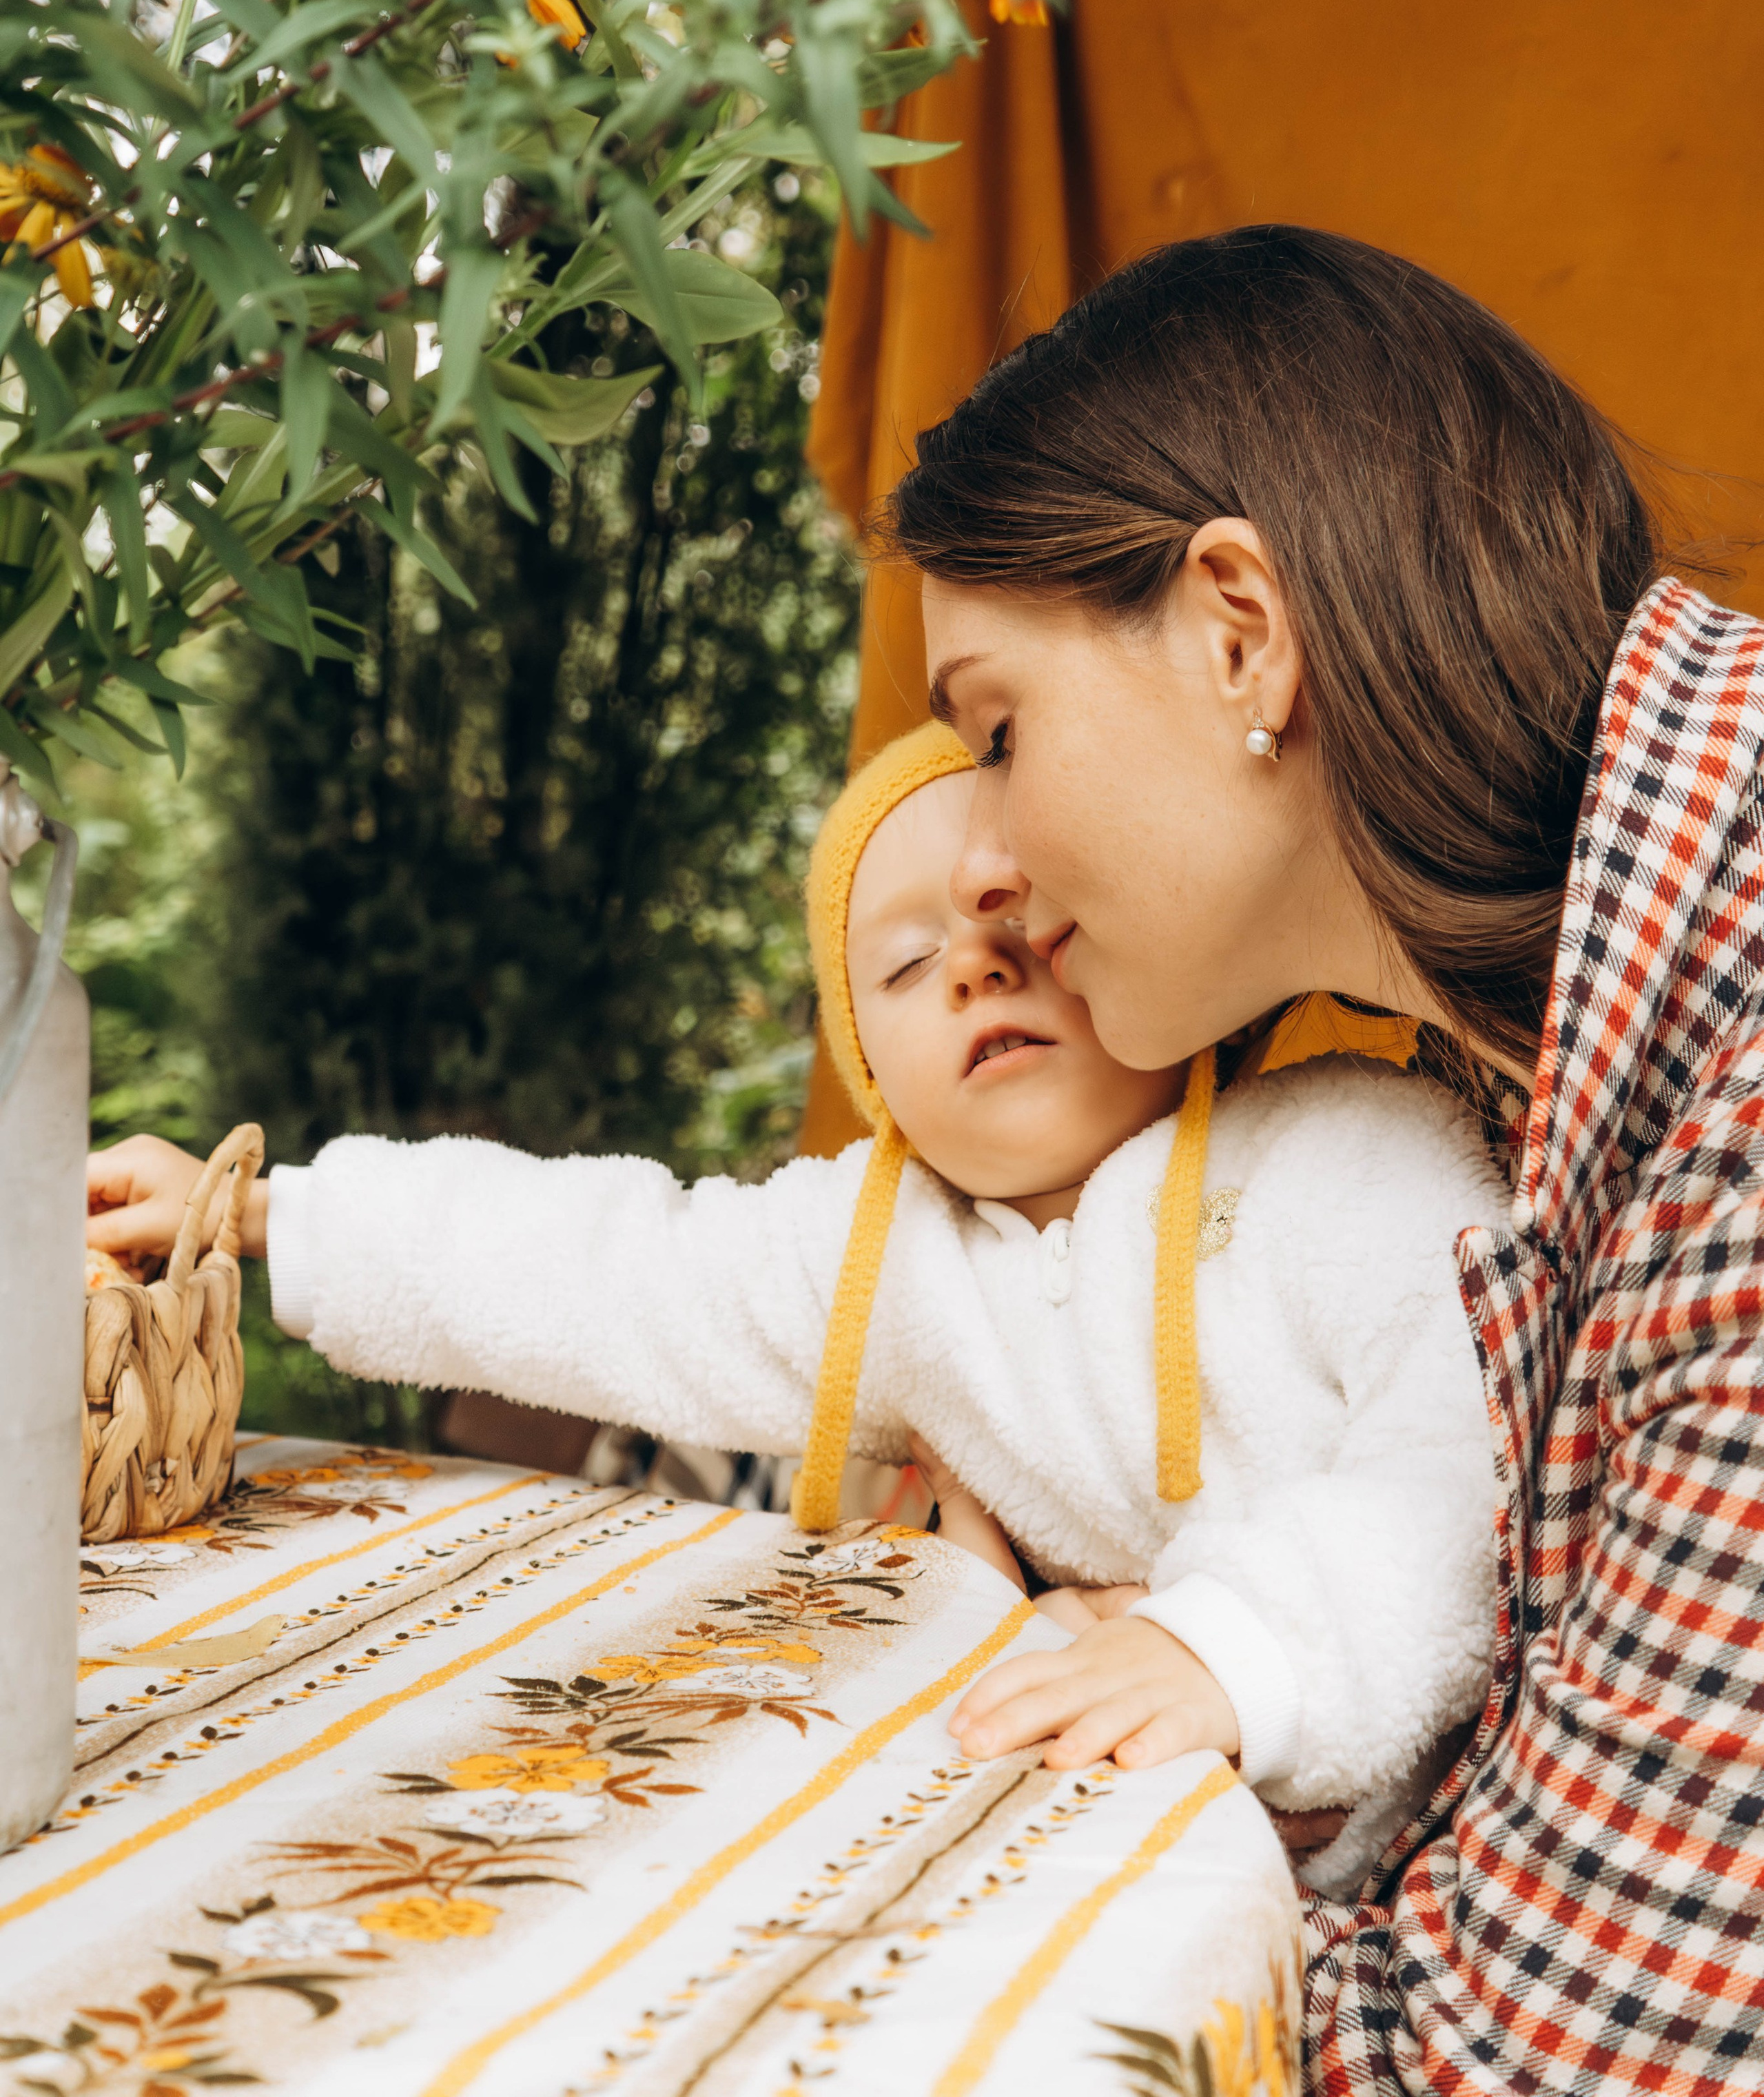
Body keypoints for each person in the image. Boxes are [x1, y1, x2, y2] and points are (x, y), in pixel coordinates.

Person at [88, 717, 1505, 1890]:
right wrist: (273, 1213)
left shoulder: (1349, 1153)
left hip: (1459, 1866)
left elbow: (1469, 1446)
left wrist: (1233, 1649)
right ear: (872, 1075)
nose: (970, 960)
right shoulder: (882, 1259)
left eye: (1025, 921)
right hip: (1147, 1854)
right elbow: (605, 1265)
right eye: (901, 962)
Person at [878, 221, 1764, 2089]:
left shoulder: (1741, 1124)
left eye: (1000, 730)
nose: (997, 862)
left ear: (1238, 633)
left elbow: (1502, 2065)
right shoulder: (1592, 1056)